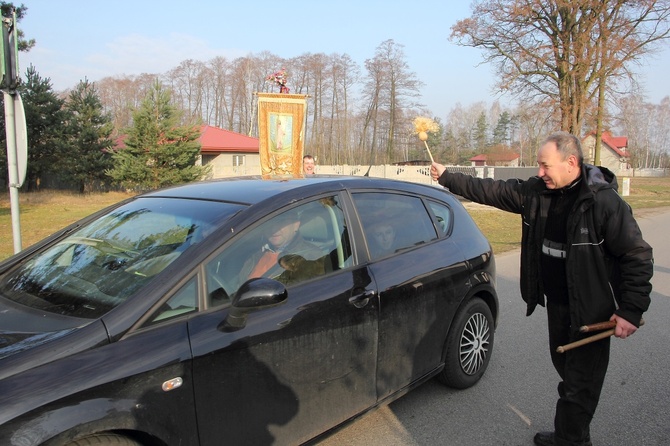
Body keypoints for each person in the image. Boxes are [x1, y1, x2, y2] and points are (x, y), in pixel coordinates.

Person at [430, 131, 653, 446]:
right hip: (559, 307)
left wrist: (630, 309)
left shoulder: (603, 203)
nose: (540, 172)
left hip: (592, 312)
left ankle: (571, 440)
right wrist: (448, 177)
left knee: (580, 385)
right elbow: (492, 189)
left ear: (571, 162)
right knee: (568, 373)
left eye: (545, 165)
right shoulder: (538, 193)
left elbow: (636, 255)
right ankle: (570, 433)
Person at [241, 211, 323, 285]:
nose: (274, 229)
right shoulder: (255, 250)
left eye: (281, 222)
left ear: (296, 225)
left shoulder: (310, 255)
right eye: (269, 223)